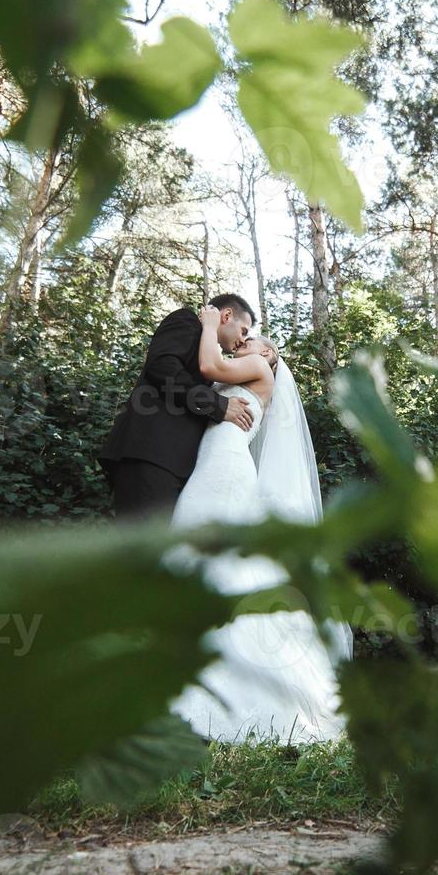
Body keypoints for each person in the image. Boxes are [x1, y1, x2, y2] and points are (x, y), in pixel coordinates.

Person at [163, 306, 349, 743]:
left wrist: (210, 325)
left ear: (270, 357)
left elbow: (210, 365)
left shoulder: (256, 368)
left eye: (254, 341)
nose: (245, 341)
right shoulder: (243, 375)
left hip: (224, 469)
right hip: (213, 465)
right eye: (243, 337)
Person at [98, 294, 256, 521]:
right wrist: (218, 405)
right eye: (243, 330)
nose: (243, 340)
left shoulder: (210, 353)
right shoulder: (187, 321)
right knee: (144, 547)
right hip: (151, 453)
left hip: (174, 465)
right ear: (227, 315)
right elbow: (163, 367)